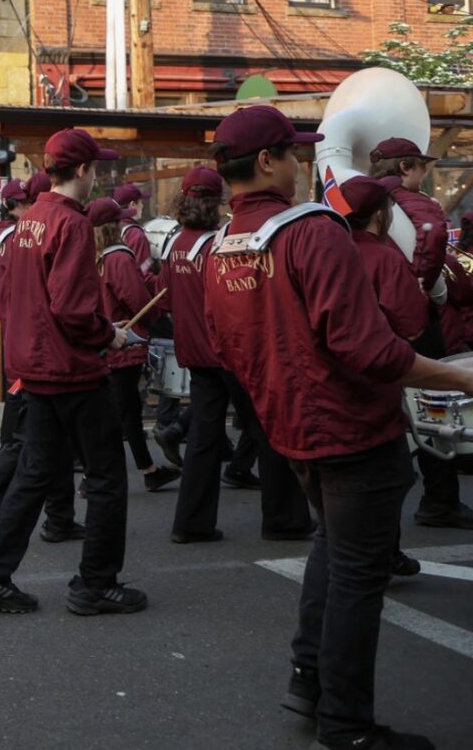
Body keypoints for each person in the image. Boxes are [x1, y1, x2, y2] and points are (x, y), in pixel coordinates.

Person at [202, 105, 473, 750]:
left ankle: (309, 678)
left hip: (290, 426)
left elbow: (226, 345)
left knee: (334, 552)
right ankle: (348, 726)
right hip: (350, 428)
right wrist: (464, 378)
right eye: (293, 154)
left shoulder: (221, 246)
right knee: (358, 575)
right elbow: (368, 348)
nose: (301, 165)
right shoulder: (311, 231)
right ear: (267, 162)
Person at [0, 128, 143, 618]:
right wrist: (111, 334)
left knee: (33, 475)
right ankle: (96, 583)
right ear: (83, 170)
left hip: (34, 367)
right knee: (105, 477)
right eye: (95, 167)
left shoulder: (30, 218)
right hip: (72, 369)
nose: (96, 174)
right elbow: (74, 310)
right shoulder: (72, 224)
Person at [161, 167, 311, 545]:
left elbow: (164, 294)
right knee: (268, 432)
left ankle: (191, 523)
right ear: (215, 201)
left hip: (193, 352)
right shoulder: (218, 242)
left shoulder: (173, 243)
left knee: (203, 439)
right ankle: (284, 519)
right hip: (226, 352)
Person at [0, 173, 82, 550]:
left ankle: (60, 517)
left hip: (21, 344)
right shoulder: (23, 238)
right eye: (30, 202)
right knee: (26, 439)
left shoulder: (2, 238)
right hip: (34, 347)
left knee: (51, 436)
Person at [368, 138, 473, 531]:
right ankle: (439, 500)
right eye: (421, 168)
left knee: (380, 409)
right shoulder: (420, 206)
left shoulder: (358, 201)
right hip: (416, 318)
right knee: (432, 404)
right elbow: (430, 244)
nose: (424, 175)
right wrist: (432, 287)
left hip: (371, 318)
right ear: (408, 168)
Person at [340, 174, 439, 578]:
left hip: (331, 380)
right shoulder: (385, 257)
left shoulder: (323, 252)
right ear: (380, 215)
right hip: (377, 381)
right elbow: (413, 323)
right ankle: (384, 552)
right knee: (391, 472)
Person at [90, 197, 180, 493]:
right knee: (121, 413)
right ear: (112, 226)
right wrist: (156, 311)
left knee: (125, 411)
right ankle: (94, 479)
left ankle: (148, 470)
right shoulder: (118, 258)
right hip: (124, 345)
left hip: (104, 343)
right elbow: (138, 301)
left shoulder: (94, 257)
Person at [113, 183, 153, 277]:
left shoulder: (111, 229)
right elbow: (143, 275)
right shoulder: (136, 235)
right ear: (132, 204)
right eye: (141, 202)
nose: (142, 206)